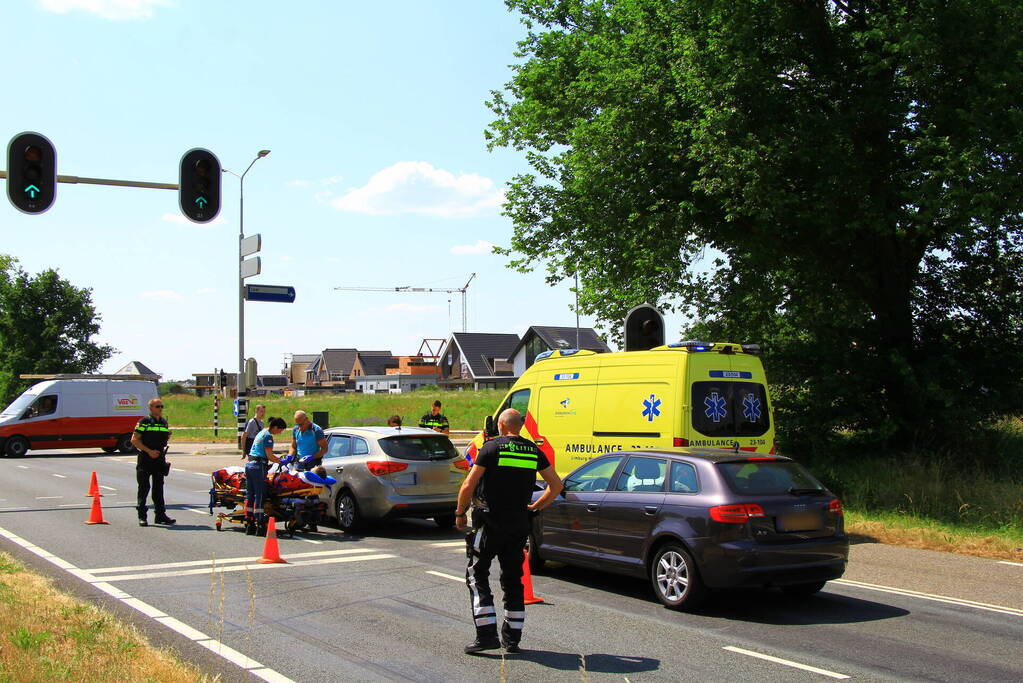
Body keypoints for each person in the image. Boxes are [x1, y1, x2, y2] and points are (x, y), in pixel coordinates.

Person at [455, 408, 563, 654]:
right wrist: (535, 506)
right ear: (520, 427)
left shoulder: (491, 447)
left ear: (502, 426)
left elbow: (469, 484)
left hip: (490, 524)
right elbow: (556, 485)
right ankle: (512, 639)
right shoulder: (533, 450)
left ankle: (486, 635)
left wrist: (460, 513)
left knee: (476, 574)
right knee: (513, 581)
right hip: (518, 525)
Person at [132, 397, 176, 527]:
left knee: (158, 488)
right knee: (144, 488)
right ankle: (142, 516)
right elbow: (134, 440)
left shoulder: (163, 422)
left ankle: (160, 515)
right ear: (151, 408)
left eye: (162, 406)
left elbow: (163, 439)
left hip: (159, 458)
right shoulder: (144, 421)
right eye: (158, 407)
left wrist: (167, 437)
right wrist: (149, 451)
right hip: (146, 458)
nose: (160, 409)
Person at [246, 416, 286, 535]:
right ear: (275, 427)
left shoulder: (261, 433)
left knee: (250, 495)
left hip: (249, 465)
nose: (279, 433)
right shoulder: (268, 436)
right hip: (259, 466)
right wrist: (281, 461)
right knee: (260, 495)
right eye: (280, 430)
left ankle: (249, 522)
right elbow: (269, 456)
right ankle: (260, 523)